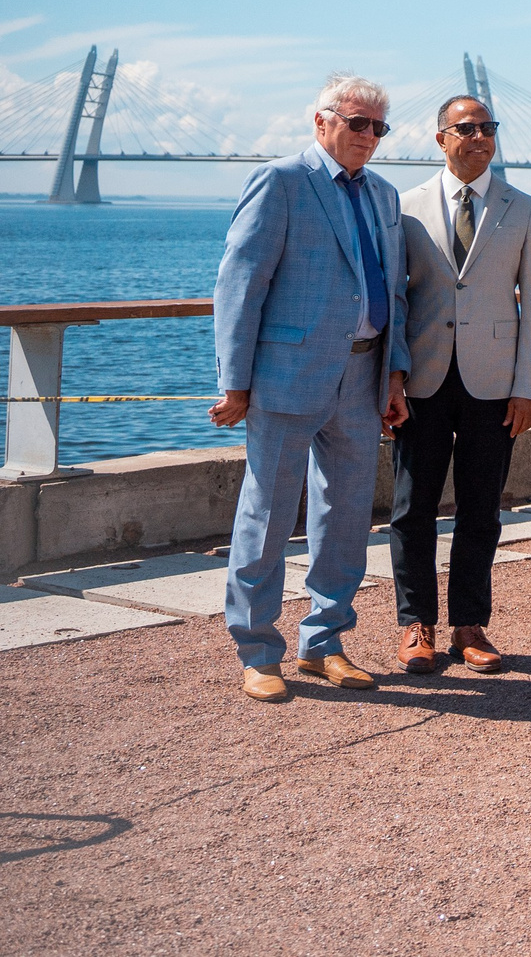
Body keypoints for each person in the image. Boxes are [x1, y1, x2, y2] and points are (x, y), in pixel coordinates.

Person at [212, 74, 409, 702]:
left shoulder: (383, 194)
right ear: (321, 122)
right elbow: (240, 284)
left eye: (379, 127)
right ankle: (257, 650)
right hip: (287, 376)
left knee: (346, 517)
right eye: (357, 123)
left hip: (364, 374)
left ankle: (324, 642)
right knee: (267, 512)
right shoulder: (281, 182)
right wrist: (235, 382)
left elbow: (394, 292)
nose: (369, 136)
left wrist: (394, 374)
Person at [389, 93, 531, 675]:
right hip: (423, 380)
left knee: (482, 509)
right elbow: (394, 298)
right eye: (466, 129)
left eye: (487, 127)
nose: (479, 137)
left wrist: (530, 387)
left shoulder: (524, 209)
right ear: (441, 139)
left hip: (495, 384)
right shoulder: (405, 207)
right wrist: (392, 376)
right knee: (412, 508)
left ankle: (468, 625)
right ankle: (416, 624)